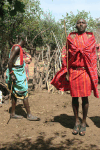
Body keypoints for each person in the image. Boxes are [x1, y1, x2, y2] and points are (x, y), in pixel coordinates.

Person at [51, 18, 99, 136]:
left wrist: (92, 71)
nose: (81, 24)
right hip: (73, 72)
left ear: (86, 25)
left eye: (83, 23)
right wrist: (66, 71)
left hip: (85, 72)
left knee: (85, 98)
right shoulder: (71, 39)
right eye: (79, 23)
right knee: (74, 98)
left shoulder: (90, 39)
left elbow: (93, 56)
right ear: (76, 25)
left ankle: (83, 122)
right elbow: (65, 56)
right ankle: (76, 121)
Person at [6, 36, 40, 121]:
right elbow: (10, 61)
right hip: (16, 73)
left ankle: (13, 113)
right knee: (24, 91)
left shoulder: (17, 47)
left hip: (17, 72)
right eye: (25, 42)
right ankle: (29, 115)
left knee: (15, 92)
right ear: (23, 40)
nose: (26, 43)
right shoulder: (17, 47)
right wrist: (11, 73)